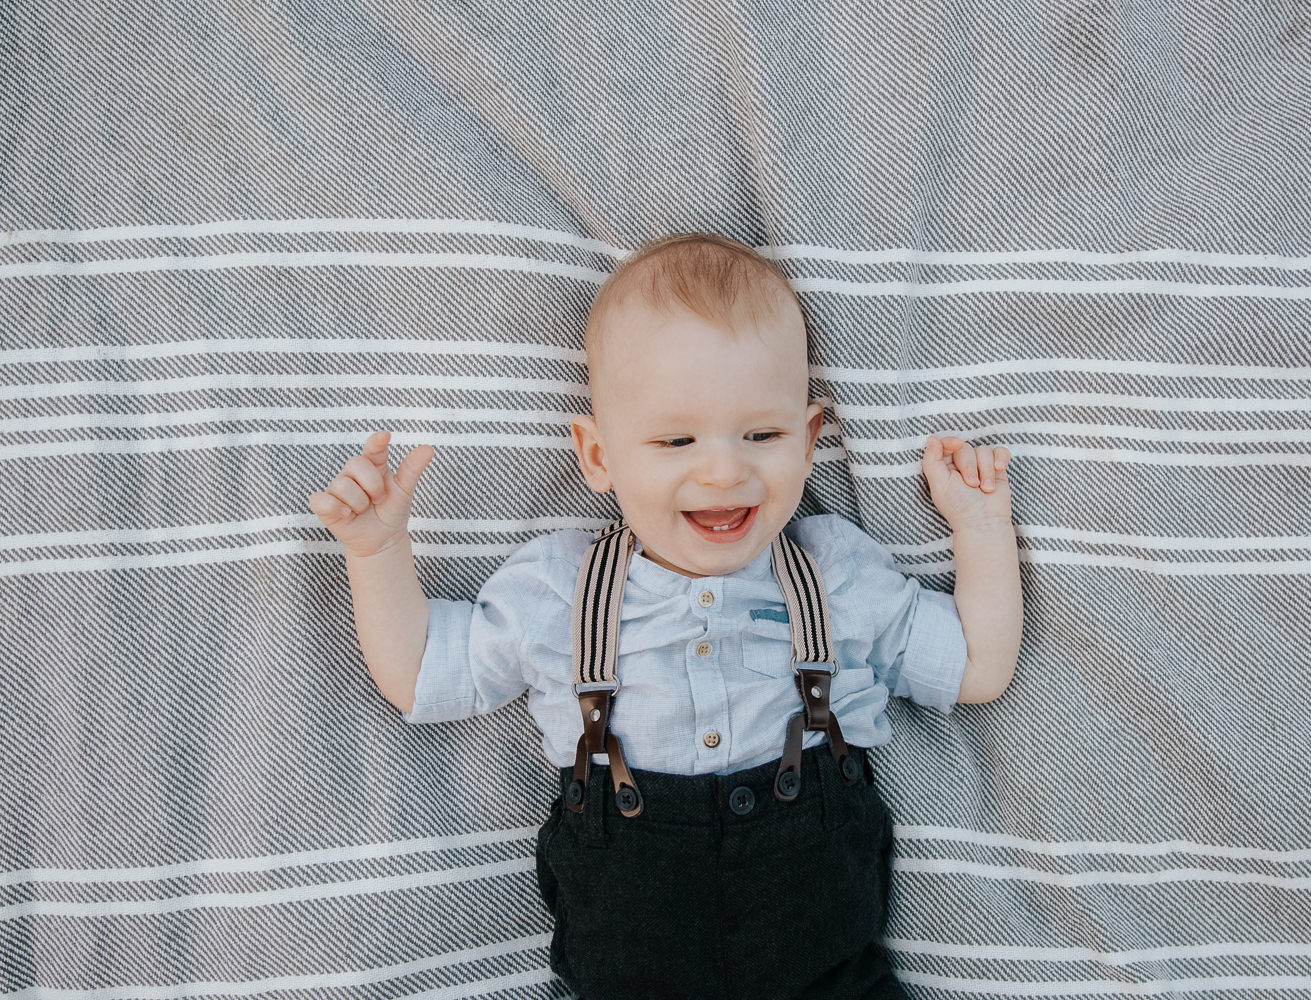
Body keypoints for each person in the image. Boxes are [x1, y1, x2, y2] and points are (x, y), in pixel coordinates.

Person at [308, 233, 1023, 999]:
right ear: (599, 455)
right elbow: (422, 673)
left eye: (761, 434)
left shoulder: (835, 572)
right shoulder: (562, 587)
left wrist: (980, 530)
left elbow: (977, 665)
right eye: (676, 439)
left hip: (822, 968)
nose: (723, 469)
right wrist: (377, 553)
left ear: (810, 440)